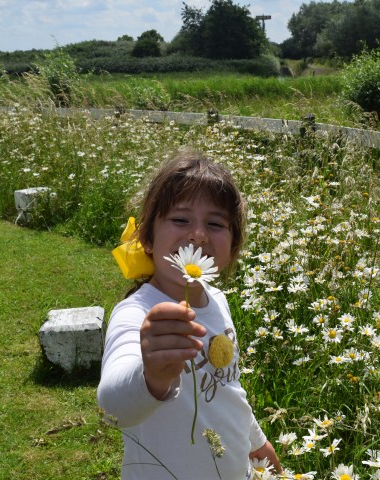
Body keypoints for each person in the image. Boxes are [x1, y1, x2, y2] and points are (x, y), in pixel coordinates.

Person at [98, 149, 281, 479]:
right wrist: (151, 374)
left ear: (232, 247)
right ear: (147, 239)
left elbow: (227, 387)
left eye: (215, 223)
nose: (198, 234)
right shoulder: (137, 314)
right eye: (180, 220)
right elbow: (114, 406)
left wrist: (256, 441)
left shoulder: (219, 302)